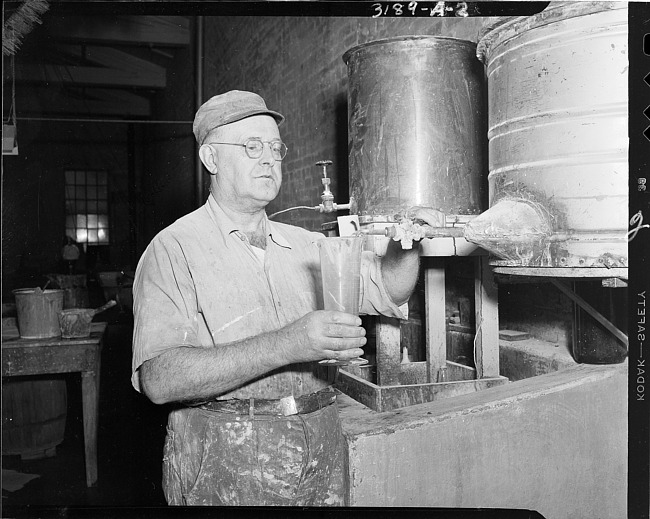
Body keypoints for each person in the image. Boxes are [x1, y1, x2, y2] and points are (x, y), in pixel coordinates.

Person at [131, 90, 443, 506]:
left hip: (320, 454)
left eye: (275, 148)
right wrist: (288, 344)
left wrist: (407, 245)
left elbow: (388, 289)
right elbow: (159, 379)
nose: (269, 158)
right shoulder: (173, 249)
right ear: (211, 160)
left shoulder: (309, 245)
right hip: (225, 463)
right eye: (251, 146)